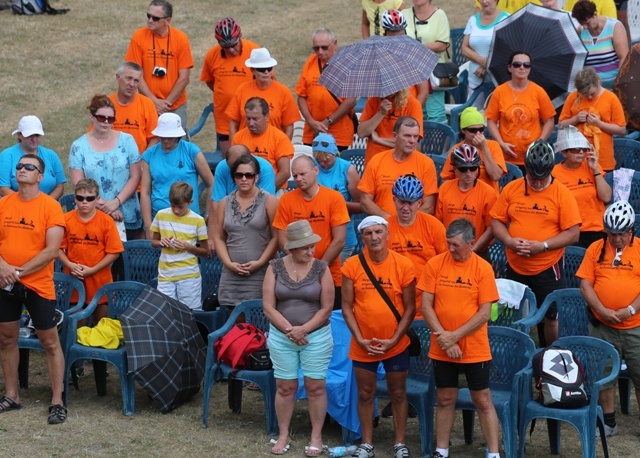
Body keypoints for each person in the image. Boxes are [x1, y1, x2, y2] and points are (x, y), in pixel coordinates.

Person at [419, 218, 502, 458]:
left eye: (455, 245)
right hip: (442, 345)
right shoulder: (435, 264)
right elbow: (426, 306)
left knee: (482, 399)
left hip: (474, 347)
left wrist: (454, 337)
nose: (451, 249)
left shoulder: (483, 268)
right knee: (445, 398)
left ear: (471, 243)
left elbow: (484, 313)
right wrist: (445, 339)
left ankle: (493, 453)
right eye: (448, 244)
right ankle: (441, 450)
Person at [490, 141, 582, 347]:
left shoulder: (562, 193)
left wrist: (544, 246)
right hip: (515, 264)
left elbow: (573, 233)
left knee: (552, 317)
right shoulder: (512, 188)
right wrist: (509, 241)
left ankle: (550, 354)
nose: (538, 184)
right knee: (509, 313)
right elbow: (496, 220)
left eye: (542, 179)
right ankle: (512, 352)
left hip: (547, 266)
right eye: (533, 178)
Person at [0, 154, 67, 424]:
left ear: (40, 176)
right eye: (19, 166)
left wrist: (16, 272)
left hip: (36, 284)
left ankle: (57, 401)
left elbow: (51, 251)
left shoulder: (51, 207)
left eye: (29, 167)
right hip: (4, 282)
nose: (22, 170)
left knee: (50, 342)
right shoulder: (4, 204)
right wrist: (2, 266)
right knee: (6, 340)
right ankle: (12, 395)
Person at [341, 215, 416, 458]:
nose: (374, 237)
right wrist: (360, 338)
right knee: (364, 393)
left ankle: (400, 443)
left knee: (397, 392)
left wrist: (394, 339)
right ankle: (367, 443)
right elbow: (346, 307)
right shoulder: (352, 265)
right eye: (368, 233)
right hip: (364, 344)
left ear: (387, 235)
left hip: (395, 344)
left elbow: (410, 309)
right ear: (362, 238)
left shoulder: (403, 265)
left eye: (378, 232)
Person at [262, 219, 334, 456]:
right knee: (285, 386)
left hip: (316, 336)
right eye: (304, 247)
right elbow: (268, 307)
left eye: (311, 245)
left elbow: (326, 308)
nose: (310, 250)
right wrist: (289, 330)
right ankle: (283, 434)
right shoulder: (274, 267)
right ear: (291, 248)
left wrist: (303, 330)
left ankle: (316, 436)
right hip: (283, 337)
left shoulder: (322, 268)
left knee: (315, 386)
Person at [577, 200, 640, 438]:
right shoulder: (596, 249)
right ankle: (609, 422)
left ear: (630, 231)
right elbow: (585, 284)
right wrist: (602, 310)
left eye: (621, 234)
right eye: (612, 234)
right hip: (602, 325)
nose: (616, 239)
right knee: (604, 375)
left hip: (635, 326)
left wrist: (630, 310)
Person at [273, 155, 350, 310]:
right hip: (297, 275)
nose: (299, 179)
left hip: (330, 273)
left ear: (315, 171)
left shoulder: (334, 198)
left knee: (330, 320)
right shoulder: (286, 200)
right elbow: (282, 239)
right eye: (295, 175)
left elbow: (339, 240)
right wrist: (301, 265)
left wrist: (318, 268)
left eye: (303, 174)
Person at [69, 95, 143, 240]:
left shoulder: (127, 141)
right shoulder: (78, 146)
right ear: (92, 117)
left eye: (111, 119)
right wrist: (102, 205)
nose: (106, 122)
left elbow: (136, 175)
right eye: (102, 118)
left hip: (125, 210)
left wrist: (116, 202)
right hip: (91, 209)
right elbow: (78, 183)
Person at [212, 155, 278, 308]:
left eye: (248, 175)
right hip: (231, 275)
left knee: (259, 319)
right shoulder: (224, 203)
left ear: (257, 177)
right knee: (231, 319)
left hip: (261, 272)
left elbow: (276, 238)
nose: (244, 179)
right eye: (239, 175)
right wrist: (228, 263)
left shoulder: (269, 201)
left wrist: (260, 263)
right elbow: (219, 237)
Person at [140, 113, 214, 246]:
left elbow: (211, 183)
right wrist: (148, 225)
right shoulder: (149, 155)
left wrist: (208, 216)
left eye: (170, 137)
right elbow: (145, 192)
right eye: (163, 137)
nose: (166, 140)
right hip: (160, 220)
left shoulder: (191, 151)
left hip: (188, 220)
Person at [58, 178, 124, 323]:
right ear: (75, 198)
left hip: (100, 279)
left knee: (101, 322)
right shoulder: (66, 219)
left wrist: (93, 269)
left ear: (97, 199)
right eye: (80, 198)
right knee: (77, 324)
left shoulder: (106, 221)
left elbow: (114, 252)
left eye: (89, 198)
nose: (84, 202)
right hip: (73, 278)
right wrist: (69, 265)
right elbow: (57, 248)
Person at [124, 0, 194, 129]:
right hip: (146, 104)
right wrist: (154, 102)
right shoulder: (139, 37)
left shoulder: (181, 39)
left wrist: (166, 104)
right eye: (148, 16)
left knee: (177, 146)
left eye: (155, 18)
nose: (150, 20)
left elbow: (184, 78)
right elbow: (134, 73)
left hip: (175, 105)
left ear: (167, 20)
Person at [388, 174, 447, 320]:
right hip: (394, 300)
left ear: (420, 203)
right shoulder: (384, 228)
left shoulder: (433, 226)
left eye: (411, 203)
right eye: (402, 202)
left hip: (427, 299)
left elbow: (447, 261)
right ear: (394, 200)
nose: (406, 208)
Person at [485, 51, 556, 170]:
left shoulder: (538, 92)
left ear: (530, 68)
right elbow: (491, 120)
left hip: (533, 157)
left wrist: (539, 143)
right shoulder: (499, 92)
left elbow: (549, 120)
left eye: (526, 65)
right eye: (517, 64)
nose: (522, 67)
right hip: (506, 157)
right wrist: (501, 143)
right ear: (509, 68)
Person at [200, 17, 260, 156]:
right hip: (224, 119)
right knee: (230, 161)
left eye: (234, 44)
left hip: (250, 118)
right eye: (226, 47)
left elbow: (267, 81)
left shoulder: (255, 51)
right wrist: (225, 94)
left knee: (252, 161)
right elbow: (209, 80)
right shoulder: (212, 55)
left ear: (240, 36)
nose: (232, 50)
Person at [359, 116, 438, 217]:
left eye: (415, 136)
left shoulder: (427, 163)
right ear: (395, 136)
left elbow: (429, 206)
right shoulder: (377, 160)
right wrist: (389, 220)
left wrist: (406, 222)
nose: (412, 141)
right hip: (382, 225)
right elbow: (365, 201)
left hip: (412, 227)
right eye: (407, 136)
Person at [150, 182, 208, 310]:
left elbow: (205, 251)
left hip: (188, 276)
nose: (176, 210)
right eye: (173, 206)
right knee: (165, 312)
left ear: (190, 202)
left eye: (180, 207)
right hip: (166, 275)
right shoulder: (161, 215)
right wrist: (161, 242)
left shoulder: (198, 220)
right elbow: (153, 242)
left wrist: (188, 247)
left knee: (190, 312)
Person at [296, 28, 357, 151]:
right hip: (312, 132)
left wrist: (327, 122)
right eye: (316, 48)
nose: (320, 51)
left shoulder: (347, 64)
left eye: (324, 47)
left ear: (334, 44)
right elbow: (301, 96)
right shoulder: (310, 62)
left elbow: (351, 100)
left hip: (338, 134)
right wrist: (311, 121)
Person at [436, 144, 498, 262]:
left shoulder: (488, 192)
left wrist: (471, 250)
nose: (469, 173)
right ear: (455, 169)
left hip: (478, 251)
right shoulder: (445, 189)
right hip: (449, 250)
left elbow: (491, 229)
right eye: (463, 169)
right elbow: (438, 223)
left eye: (473, 168)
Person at [558, 67, 626, 172]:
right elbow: (561, 125)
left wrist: (599, 124)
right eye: (584, 94)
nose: (589, 97)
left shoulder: (611, 98)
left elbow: (621, 130)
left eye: (592, 93)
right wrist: (575, 119)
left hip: (602, 160)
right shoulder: (573, 97)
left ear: (598, 82)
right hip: (576, 160)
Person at [553, 125, 611, 248]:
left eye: (584, 149)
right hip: (570, 231)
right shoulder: (554, 173)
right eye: (575, 149)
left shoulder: (592, 166)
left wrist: (595, 169)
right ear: (564, 152)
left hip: (597, 229)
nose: (580, 152)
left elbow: (606, 197)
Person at [225, 48, 300, 141]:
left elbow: (289, 128)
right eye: (261, 69)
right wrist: (235, 150)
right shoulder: (242, 89)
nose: (266, 72)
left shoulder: (284, 92)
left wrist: (282, 150)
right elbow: (233, 124)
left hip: (273, 148)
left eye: (269, 68)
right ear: (252, 70)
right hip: (245, 149)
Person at [312, 133, 362, 263]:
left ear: (335, 153)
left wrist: (334, 202)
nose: (322, 163)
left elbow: (361, 206)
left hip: (341, 238)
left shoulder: (347, 169)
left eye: (326, 160)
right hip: (315, 237)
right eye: (319, 160)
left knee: (335, 280)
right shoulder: (311, 166)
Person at [231, 97, 294, 191]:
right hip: (244, 189)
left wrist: (263, 193)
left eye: (255, 119)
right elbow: (233, 168)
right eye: (248, 118)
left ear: (267, 117)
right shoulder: (238, 137)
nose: (251, 123)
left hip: (273, 189)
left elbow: (285, 173)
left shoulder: (280, 138)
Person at [402, 0, 451, 123]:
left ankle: (438, 141)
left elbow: (442, 45)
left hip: (432, 72)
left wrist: (417, 47)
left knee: (436, 117)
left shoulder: (440, 15)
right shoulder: (404, 14)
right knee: (414, 117)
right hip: (409, 72)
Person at [440, 107, 506, 193]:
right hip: (463, 196)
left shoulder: (493, 146)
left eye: (481, 129)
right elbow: (446, 179)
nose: (478, 134)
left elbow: (496, 176)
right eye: (473, 130)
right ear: (463, 130)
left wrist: (484, 148)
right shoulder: (456, 149)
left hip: (487, 197)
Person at [0, 115, 66, 200]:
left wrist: (45, 205)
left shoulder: (51, 155)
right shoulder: (7, 156)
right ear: (19, 135)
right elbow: (3, 189)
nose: (34, 139)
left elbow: (60, 186)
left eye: (37, 135)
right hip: (16, 208)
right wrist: (27, 205)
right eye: (29, 135)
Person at [358, 88, 424, 164]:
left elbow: (412, 144)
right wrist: (381, 113)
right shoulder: (373, 100)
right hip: (374, 160)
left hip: (400, 161)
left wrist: (378, 140)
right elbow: (361, 133)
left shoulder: (413, 104)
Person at [106, 62, 159, 155]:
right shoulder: (105, 104)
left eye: (136, 81)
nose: (132, 84)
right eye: (128, 78)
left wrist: (144, 160)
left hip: (139, 163)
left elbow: (154, 138)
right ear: (118, 78)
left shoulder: (147, 104)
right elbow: (95, 135)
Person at [210, 144, 276, 218]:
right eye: (232, 168)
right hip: (228, 216)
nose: (235, 171)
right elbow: (217, 203)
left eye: (248, 175)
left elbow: (264, 203)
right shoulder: (222, 167)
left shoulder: (265, 168)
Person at [573, 0, 628, 88]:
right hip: (591, 89)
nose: (585, 27)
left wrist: (619, 83)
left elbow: (624, 57)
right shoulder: (581, 31)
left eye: (587, 23)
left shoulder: (614, 27)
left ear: (595, 15)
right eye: (582, 24)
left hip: (614, 86)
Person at [381, 10, 430, 106]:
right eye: (392, 32)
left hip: (409, 110)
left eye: (399, 32)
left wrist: (412, 115)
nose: (396, 36)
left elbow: (423, 93)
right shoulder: (378, 55)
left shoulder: (414, 55)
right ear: (385, 34)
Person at [462, 0, 510, 92]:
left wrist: (486, 66)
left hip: (498, 80)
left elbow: (507, 50)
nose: (484, 1)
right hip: (475, 78)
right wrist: (482, 61)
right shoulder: (473, 19)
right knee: (473, 107)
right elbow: (464, 48)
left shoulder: (507, 19)